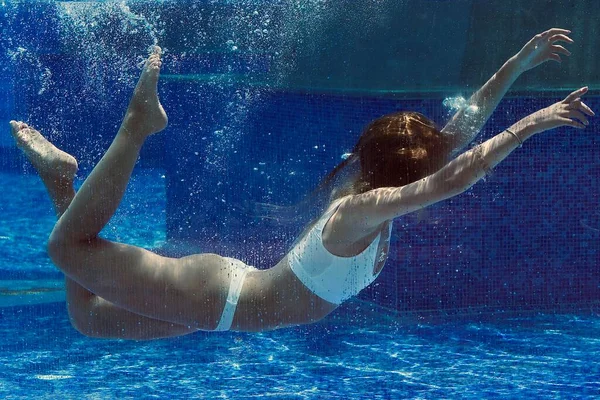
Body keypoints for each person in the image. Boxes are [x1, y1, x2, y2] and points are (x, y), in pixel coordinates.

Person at [10, 28, 593, 340]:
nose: (441, 155)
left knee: (88, 318)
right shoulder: (359, 212)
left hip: (226, 300)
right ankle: (137, 129)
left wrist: (517, 65)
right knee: (65, 253)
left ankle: (61, 179)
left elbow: (454, 138)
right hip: (219, 298)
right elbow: (453, 175)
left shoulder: (371, 206)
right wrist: (532, 120)